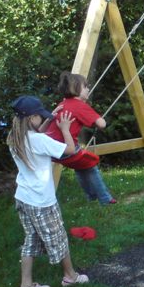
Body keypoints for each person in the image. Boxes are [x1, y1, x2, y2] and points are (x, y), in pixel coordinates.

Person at [7, 95, 89, 287]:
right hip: (41, 201)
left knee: (31, 239)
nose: (42, 119)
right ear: (32, 118)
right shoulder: (39, 140)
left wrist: (48, 119)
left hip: (24, 198)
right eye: (40, 116)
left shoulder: (14, 137)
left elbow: (36, 137)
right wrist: (65, 129)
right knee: (58, 238)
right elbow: (70, 150)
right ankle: (70, 276)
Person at [45, 71, 116, 205]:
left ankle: (91, 197)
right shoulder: (79, 106)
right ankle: (105, 199)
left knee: (80, 166)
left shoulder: (62, 104)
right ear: (76, 89)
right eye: (85, 87)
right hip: (67, 150)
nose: (88, 89)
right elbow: (102, 124)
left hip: (52, 151)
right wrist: (99, 119)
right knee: (90, 163)